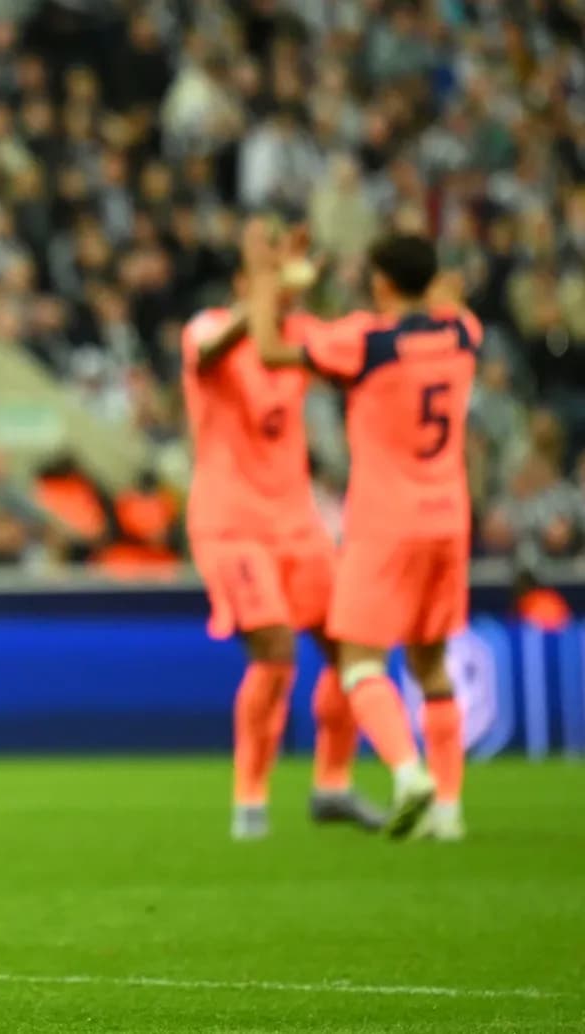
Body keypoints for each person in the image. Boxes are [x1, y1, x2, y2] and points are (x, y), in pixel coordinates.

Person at [250, 231, 479, 841]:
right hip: (450, 518)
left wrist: (269, 276)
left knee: (358, 660)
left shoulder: (365, 341)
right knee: (431, 664)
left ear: (380, 283)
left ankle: (408, 774)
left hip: (386, 521)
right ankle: (449, 810)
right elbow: (452, 302)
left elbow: (271, 349)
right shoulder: (464, 334)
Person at [178, 219, 383, 840]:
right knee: (274, 654)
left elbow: (355, 351)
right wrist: (265, 289)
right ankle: (250, 799)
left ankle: (332, 785)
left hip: (297, 522)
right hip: (232, 524)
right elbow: (211, 352)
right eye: (264, 276)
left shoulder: (296, 335)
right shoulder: (208, 327)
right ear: (242, 284)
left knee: (355, 646)